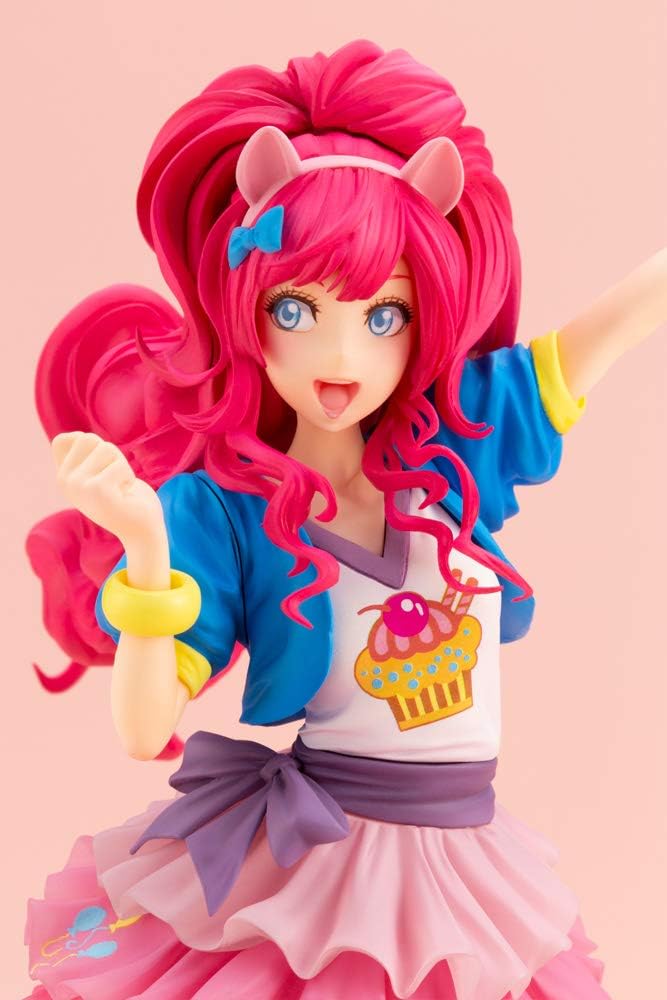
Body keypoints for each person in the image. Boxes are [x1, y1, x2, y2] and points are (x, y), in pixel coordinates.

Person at [24, 39, 666, 1000]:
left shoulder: (450, 447)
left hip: (467, 861)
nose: (339, 357)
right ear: (247, 307)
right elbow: (144, 727)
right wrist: (147, 548)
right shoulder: (224, 509)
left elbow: (609, 330)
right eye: (296, 311)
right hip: (327, 860)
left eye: (382, 316)